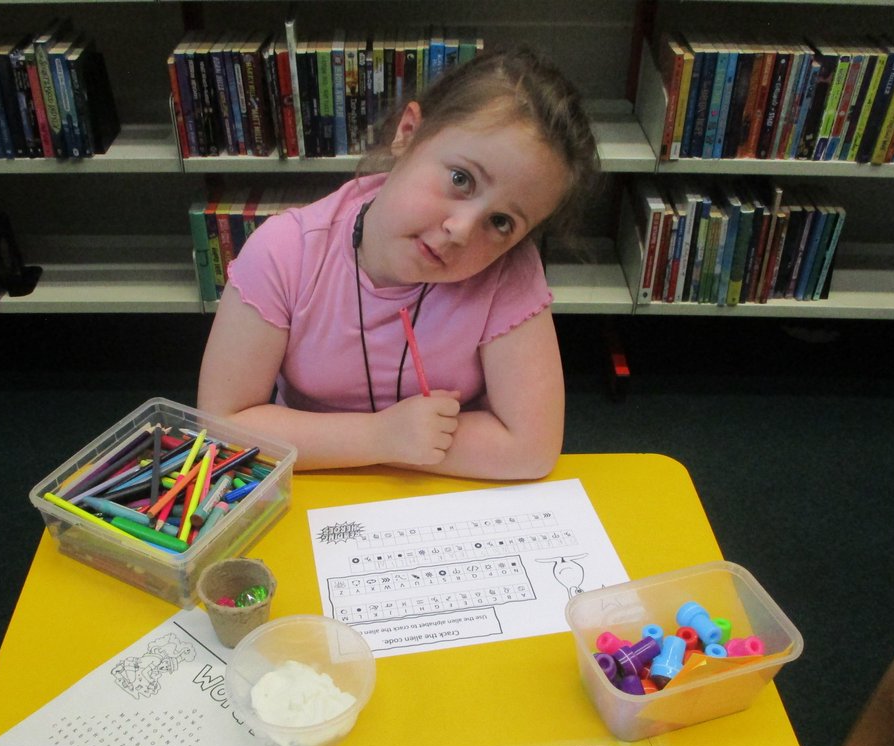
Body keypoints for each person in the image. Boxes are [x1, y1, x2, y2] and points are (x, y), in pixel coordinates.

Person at [197, 45, 596, 479]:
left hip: (443, 498)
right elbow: (224, 428)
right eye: (460, 179)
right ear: (408, 132)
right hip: (315, 493)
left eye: (501, 222)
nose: (461, 230)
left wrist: (381, 442)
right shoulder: (284, 252)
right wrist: (380, 437)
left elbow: (530, 450)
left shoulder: (508, 273)